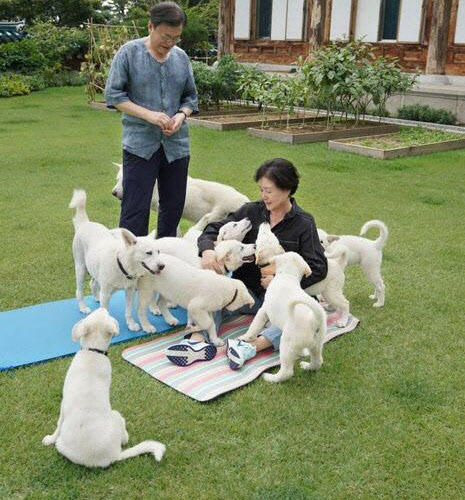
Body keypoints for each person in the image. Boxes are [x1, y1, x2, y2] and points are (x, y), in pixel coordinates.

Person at [165, 158, 328, 370]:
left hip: (280, 297)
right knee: (209, 291)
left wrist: (280, 278)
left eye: (269, 191)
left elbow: (318, 266)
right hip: (244, 291)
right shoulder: (251, 211)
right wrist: (206, 250)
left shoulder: (303, 223)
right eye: (261, 190)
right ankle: (196, 341)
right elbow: (213, 229)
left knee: (304, 317)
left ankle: (250, 346)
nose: (263, 196)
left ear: (287, 188)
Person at [104, 2, 198, 237]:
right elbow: (114, 96)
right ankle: (129, 267)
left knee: (173, 208)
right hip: (139, 145)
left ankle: (165, 263)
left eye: (176, 38)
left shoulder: (181, 58)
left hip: (176, 146)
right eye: (166, 36)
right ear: (150, 26)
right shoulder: (129, 53)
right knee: (135, 209)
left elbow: (191, 97)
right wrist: (149, 115)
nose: (170, 43)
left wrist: (180, 115)